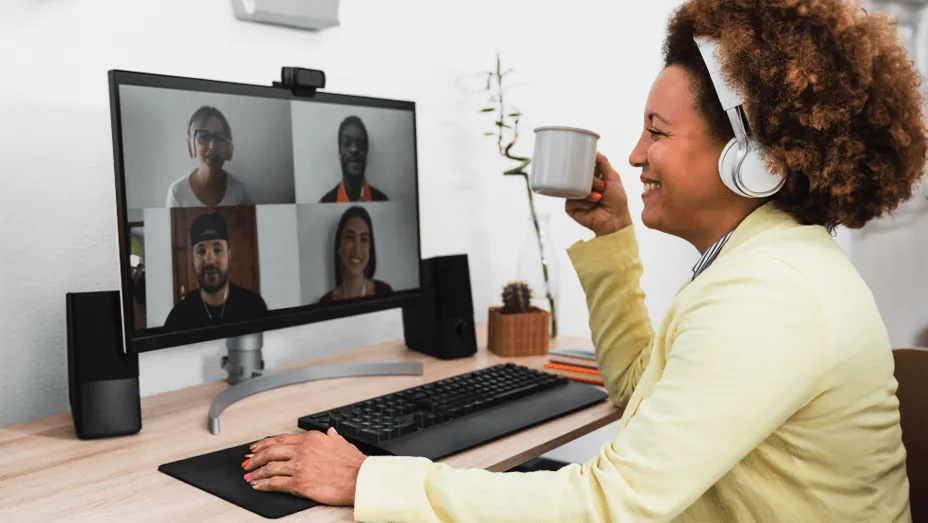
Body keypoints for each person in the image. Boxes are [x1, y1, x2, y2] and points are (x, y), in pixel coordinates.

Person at [240, 1, 926, 521]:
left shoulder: (772, 294)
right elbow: (642, 397)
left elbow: (608, 504)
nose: (633, 155)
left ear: (753, 160)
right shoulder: (764, 262)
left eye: (657, 132)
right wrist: (612, 239)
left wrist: (367, 479)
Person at [164, 213, 268, 330]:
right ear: (192, 259)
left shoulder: (254, 307)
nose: (209, 260)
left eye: (217, 249)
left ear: (229, 255)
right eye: (201, 251)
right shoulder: (178, 318)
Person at [166, 106, 254, 208]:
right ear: (192, 145)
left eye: (219, 138)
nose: (212, 147)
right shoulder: (177, 193)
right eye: (204, 137)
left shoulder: (240, 192)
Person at [318, 206, 393, 302]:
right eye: (349, 237)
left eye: (363, 239)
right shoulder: (326, 302)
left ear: (370, 250)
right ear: (339, 247)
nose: (357, 249)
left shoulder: (384, 292)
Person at [319, 116, 389, 203]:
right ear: (340, 151)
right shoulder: (324, 202)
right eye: (347, 143)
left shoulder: (383, 200)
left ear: (366, 151)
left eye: (360, 144)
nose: (354, 149)